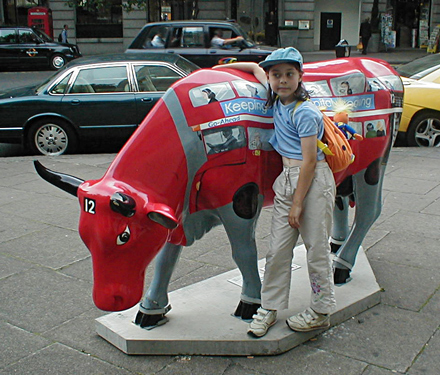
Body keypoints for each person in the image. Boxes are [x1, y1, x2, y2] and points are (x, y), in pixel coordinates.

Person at [213, 47, 336, 337]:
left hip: (312, 181)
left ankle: (321, 311)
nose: (282, 80)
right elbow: (256, 69)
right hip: (288, 179)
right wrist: (223, 67)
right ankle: (269, 306)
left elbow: (308, 162)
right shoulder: (276, 100)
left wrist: (297, 205)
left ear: (300, 76)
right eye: (276, 75)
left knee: (317, 249)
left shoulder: (304, 112)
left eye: (289, 74)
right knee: (278, 249)